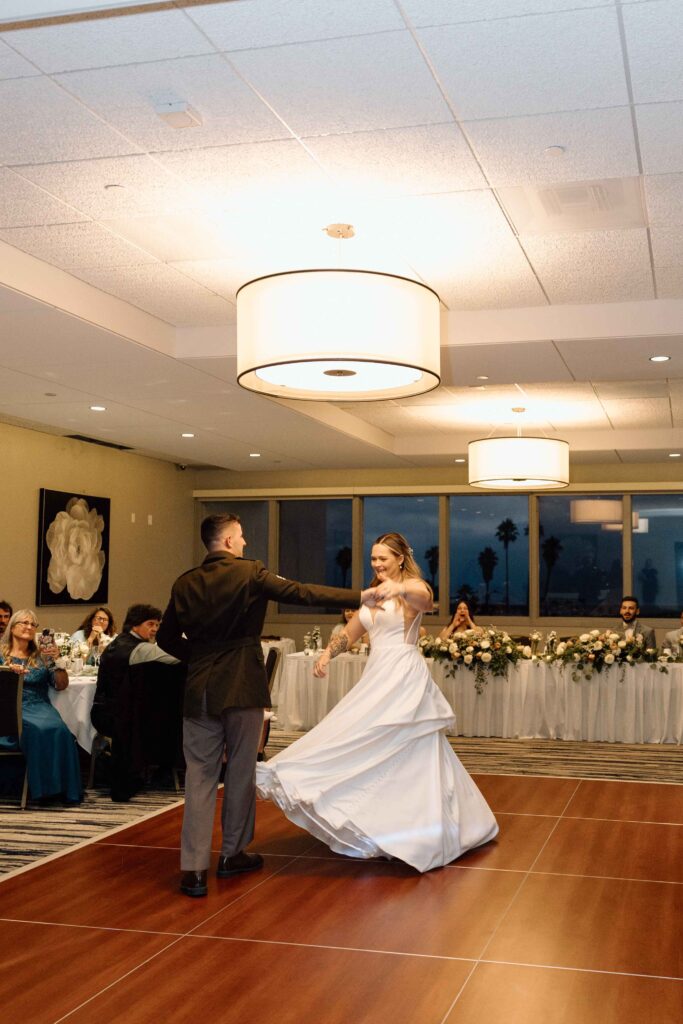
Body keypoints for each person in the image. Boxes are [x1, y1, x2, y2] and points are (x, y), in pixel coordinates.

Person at [256, 532, 498, 874]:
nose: (377, 564)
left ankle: (419, 831)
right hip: (377, 673)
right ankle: (377, 823)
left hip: (403, 673)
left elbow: (427, 600)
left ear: (400, 558)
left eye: (383, 558)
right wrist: (328, 653)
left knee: (408, 745)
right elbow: (351, 632)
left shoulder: (412, 588)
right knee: (357, 737)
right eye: (373, 559)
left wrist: (399, 588)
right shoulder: (371, 596)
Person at [157, 512, 367, 898]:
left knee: (199, 778)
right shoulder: (250, 572)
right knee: (240, 771)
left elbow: (167, 638)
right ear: (226, 541)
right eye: (240, 536)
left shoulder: (184, 582)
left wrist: (201, 656)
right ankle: (232, 854)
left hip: (199, 689)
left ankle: (194, 870)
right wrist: (361, 597)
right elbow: (302, 593)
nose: (244, 543)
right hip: (242, 686)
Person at [91, 604, 180, 802]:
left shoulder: (116, 643)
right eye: (151, 624)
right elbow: (177, 660)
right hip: (122, 718)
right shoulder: (143, 649)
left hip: (102, 711)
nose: (155, 629)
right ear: (135, 625)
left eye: (157, 624)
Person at [0, 609, 82, 804]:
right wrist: (7, 673)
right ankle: (43, 791)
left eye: (33, 624)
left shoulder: (42, 656)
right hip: (9, 707)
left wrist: (57, 661)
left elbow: (61, 685)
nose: (29, 627)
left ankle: (62, 789)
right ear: (12, 627)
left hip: (39, 704)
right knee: (37, 729)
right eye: (24, 623)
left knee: (60, 729)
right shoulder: (1, 654)